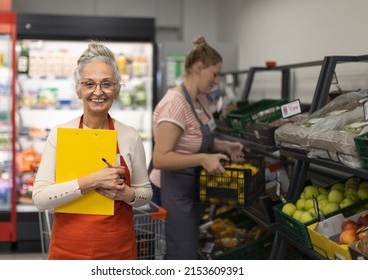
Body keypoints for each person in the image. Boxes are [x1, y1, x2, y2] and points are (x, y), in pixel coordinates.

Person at [32, 40, 152, 260]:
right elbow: (40, 199)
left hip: (118, 252)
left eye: (106, 84)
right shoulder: (60, 134)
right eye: (89, 84)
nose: (98, 92)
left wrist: (127, 194)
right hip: (68, 252)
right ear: (79, 90)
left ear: (116, 89)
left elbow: (145, 192)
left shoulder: (129, 136)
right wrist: (93, 181)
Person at [149, 36, 245, 260]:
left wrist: (224, 145)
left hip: (188, 189)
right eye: (215, 73)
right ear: (199, 67)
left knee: (188, 251)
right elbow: (161, 158)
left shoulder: (200, 100)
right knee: (178, 253)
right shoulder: (175, 104)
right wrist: (203, 158)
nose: (217, 80)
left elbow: (197, 139)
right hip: (168, 192)